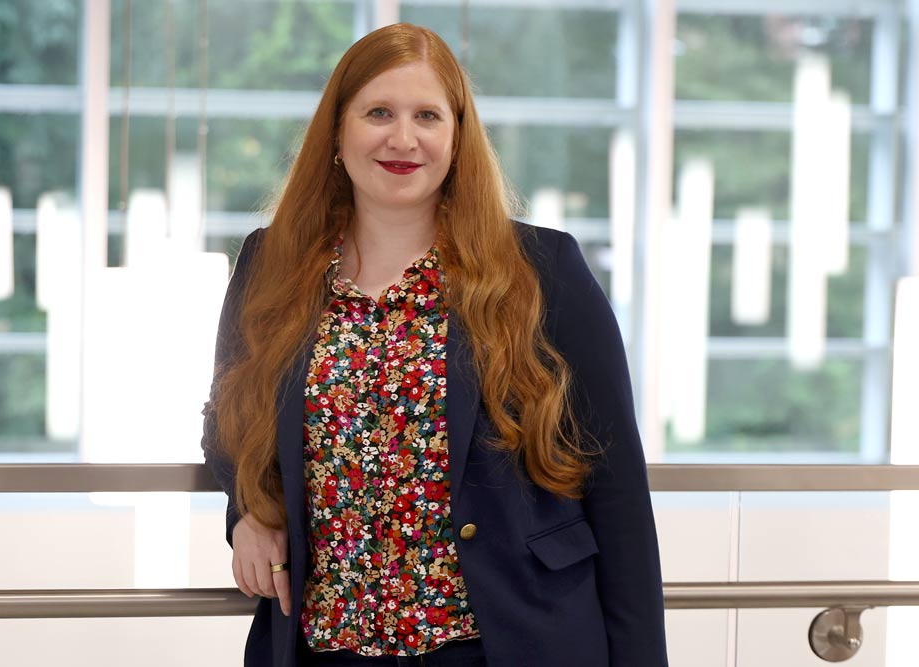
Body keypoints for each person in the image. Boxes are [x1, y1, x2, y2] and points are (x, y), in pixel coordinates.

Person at [202, 22, 668, 667]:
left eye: (428, 115)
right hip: (326, 647)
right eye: (378, 113)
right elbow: (226, 418)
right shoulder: (270, 262)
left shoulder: (542, 268)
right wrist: (248, 514)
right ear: (338, 133)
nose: (403, 138)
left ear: (457, 136)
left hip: (506, 643)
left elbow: (616, 489)